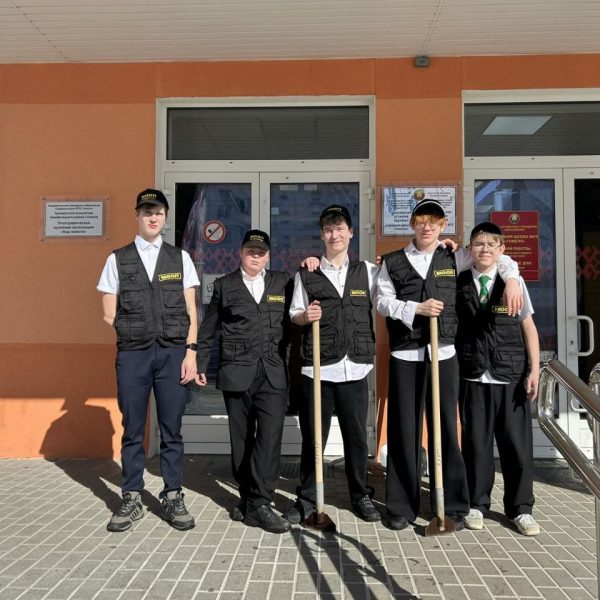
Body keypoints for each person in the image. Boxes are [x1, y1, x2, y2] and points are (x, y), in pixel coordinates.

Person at [376, 199, 522, 531]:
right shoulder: (393, 261)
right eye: (421, 220)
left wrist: (512, 279)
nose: (427, 227)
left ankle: (453, 504)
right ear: (412, 224)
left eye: (434, 221)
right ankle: (401, 506)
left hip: (444, 355)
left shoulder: (453, 256)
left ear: (442, 226)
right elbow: (382, 301)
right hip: (406, 356)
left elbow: (494, 256)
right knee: (404, 430)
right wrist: (415, 309)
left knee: (445, 428)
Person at [97, 188, 199, 532]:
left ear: (165, 217)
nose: (152, 217)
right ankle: (131, 496)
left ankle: (172, 494)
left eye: (158, 212)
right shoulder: (118, 259)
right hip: (134, 355)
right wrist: (135, 331)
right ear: (137, 216)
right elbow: (108, 312)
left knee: (172, 429)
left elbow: (191, 310)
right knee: (133, 428)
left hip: (173, 354)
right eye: (146, 212)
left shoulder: (180, 258)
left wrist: (191, 352)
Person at [284, 205, 381, 525]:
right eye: (328, 229)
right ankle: (307, 497)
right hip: (318, 369)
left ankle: (360, 494)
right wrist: (305, 316)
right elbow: (295, 313)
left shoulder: (368, 272)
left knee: (357, 436)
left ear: (351, 233)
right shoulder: (307, 273)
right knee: (314, 437)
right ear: (322, 235)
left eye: (340, 228)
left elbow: (394, 289)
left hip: (355, 368)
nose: (334, 234)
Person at [195, 229, 293, 534]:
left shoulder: (283, 282)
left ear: (268, 256)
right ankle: (248, 498)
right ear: (241, 253)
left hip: (273, 373)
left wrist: (312, 264)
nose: (255, 256)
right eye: (251, 251)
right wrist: (200, 363)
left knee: (270, 437)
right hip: (237, 372)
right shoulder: (224, 286)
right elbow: (209, 328)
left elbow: (296, 321)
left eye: (261, 252)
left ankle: (261, 502)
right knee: (242, 440)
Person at [457, 222, 540, 536]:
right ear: (470, 249)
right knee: (476, 446)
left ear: (502, 250)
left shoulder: (513, 283)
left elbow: (528, 327)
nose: (485, 249)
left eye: (492, 244)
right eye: (479, 244)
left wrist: (534, 370)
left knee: (516, 447)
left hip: (510, 376)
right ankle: (477, 504)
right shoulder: (460, 281)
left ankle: (521, 509)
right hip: (473, 375)